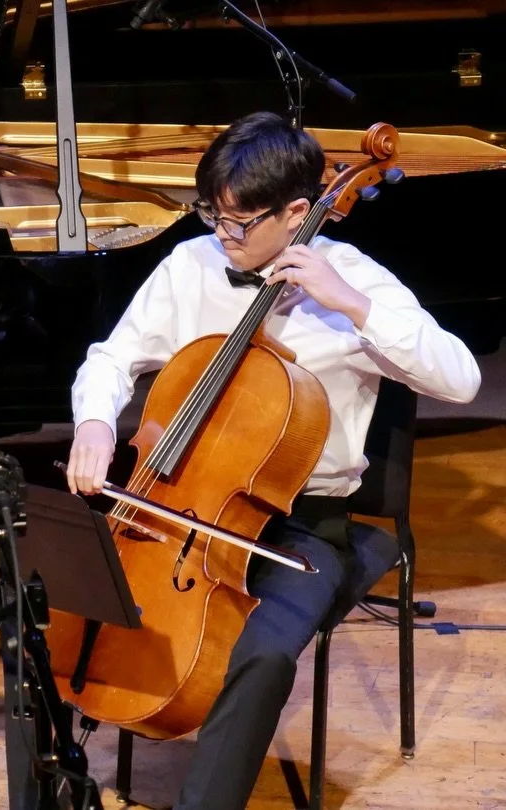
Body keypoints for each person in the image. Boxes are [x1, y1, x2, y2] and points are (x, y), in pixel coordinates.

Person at [63, 111, 482, 809]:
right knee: (54, 603)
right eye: (211, 216)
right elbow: (112, 356)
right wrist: (96, 424)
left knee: (259, 657)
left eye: (237, 223)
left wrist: (350, 307)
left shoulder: (355, 283)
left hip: (305, 528)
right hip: (174, 506)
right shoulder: (190, 265)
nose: (220, 237)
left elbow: (461, 378)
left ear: (295, 213)